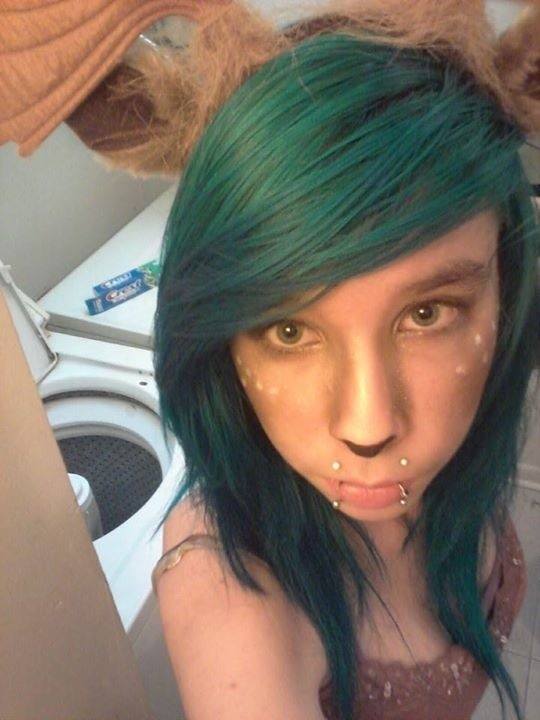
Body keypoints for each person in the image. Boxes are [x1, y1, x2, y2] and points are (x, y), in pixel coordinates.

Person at [151, 4, 540, 719]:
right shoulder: (236, 602)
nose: (368, 428)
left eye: (426, 315)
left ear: (506, 290)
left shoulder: (465, 445)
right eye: (288, 330)